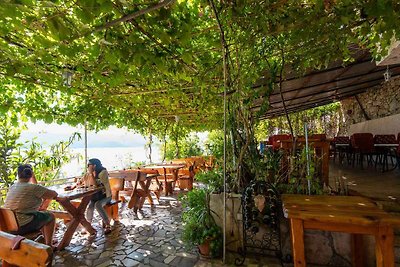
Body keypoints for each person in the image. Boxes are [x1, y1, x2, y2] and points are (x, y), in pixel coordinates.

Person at [3, 164, 58, 247]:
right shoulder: (33, 188)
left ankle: (45, 239)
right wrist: (33, 178)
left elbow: (36, 188)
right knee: (50, 216)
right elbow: (54, 194)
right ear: (31, 174)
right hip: (21, 226)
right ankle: (49, 245)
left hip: (8, 225)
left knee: (41, 214)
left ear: (18, 175)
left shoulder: (13, 186)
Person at [84, 158, 112, 234]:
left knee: (98, 205)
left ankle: (108, 224)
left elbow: (96, 185)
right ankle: (88, 225)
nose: (88, 166)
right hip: (95, 196)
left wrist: (91, 174)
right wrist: (74, 186)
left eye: (89, 165)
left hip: (106, 196)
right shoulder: (90, 172)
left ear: (94, 165)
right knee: (90, 206)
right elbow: (83, 181)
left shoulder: (103, 172)